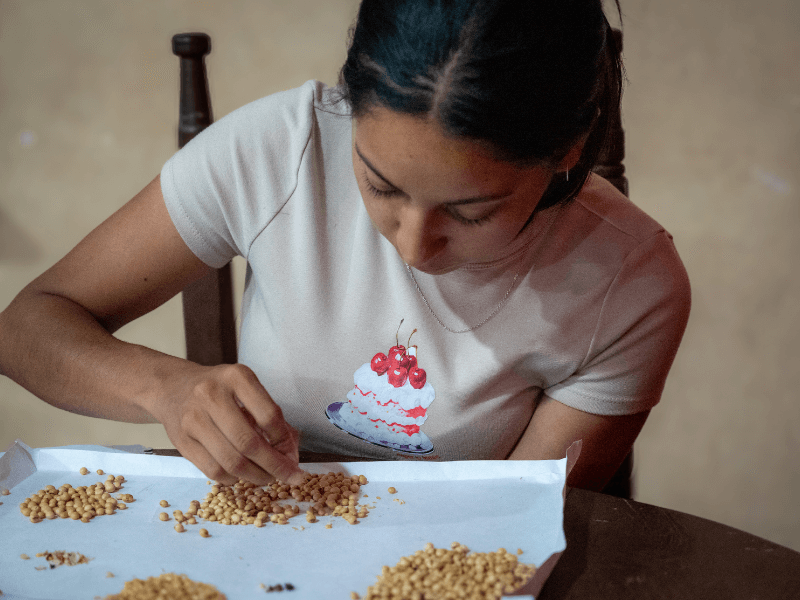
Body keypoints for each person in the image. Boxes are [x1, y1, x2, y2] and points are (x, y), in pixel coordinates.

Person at [0, 0, 690, 492]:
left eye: (470, 211)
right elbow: (26, 328)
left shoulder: (629, 283)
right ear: (348, 107)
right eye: (381, 185)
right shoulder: (277, 153)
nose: (416, 246)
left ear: (566, 153)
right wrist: (163, 387)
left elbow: (507, 520)